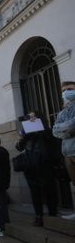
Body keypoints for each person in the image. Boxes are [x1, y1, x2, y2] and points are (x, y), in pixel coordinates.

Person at [16, 113, 57, 226]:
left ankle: (52, 213)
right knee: (35, 192)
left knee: (49, 191)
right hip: (31, 167)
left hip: (45, 166)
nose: (31, 119)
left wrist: (40, 130)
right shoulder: (26, 134)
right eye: (29, 117)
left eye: (33, 117)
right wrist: (26, 136)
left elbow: (53, 144)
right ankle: (38, 215)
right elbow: (19, 147)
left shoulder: (46, 131)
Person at [53, 81, 75, 220]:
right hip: (67, 152)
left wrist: (64, 128)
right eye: (64, 90)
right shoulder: (63, 111)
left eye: (70, 89)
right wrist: (67, 130)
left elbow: (73, 124)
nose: (66, 92)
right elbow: (55, 130)